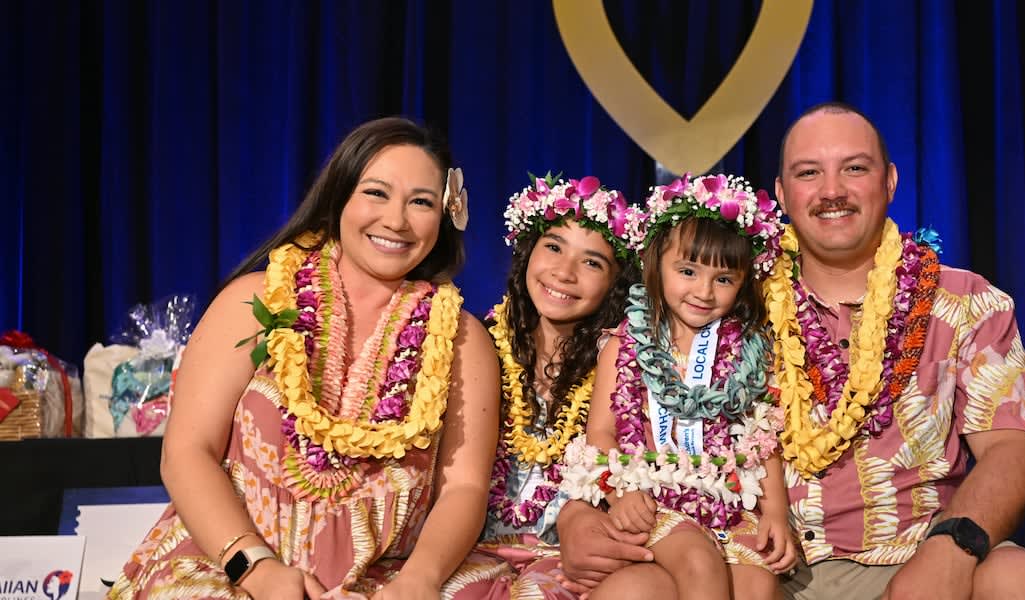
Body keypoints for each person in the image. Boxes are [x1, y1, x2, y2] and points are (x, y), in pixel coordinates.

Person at [109, 117, 500, 600]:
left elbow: (463, 489)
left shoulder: (461, 338)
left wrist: (419, 579)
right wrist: (255, 568)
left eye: (420, 202)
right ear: (338, 198)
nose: (396, 220)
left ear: (444, 217)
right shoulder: (254, 301)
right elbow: (186, 452)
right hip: (233, 562)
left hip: (393, 576)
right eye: (375, 193)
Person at [762, 101, 1025, 599]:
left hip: (922, 556)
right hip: (770, 567)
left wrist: (949, 551)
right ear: (780, 193)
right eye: (809, 172)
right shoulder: (730, 303)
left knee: (1023, 581)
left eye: (854, 168)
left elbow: (1016, 452)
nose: (832, 191)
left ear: (891, 181)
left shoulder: (965, 301)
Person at [560, 173, 797, 600]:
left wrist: (776, 512)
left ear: (744, 281)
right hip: (651, 499)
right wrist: (623, 488)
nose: (704, 292)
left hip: (724, 502)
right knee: (697, 564)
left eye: (723, 279)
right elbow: (600, 433)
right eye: (687, 271)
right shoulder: (625, 343)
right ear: (656, 263)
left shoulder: (747, 348)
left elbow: (763, 439)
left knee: (758, 586)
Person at [441, 175, 646, 598]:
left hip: (568, 557)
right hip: (466, 550)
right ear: (526, 253)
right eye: (553, 247)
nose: (564, 273)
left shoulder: (623, 368)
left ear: (615, 283)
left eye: (592, 263)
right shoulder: (473, 346)